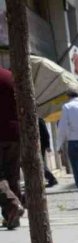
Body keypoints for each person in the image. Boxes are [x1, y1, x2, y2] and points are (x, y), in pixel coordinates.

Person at [0, 67, 24, 230]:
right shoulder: (10, 76)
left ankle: (12, 204)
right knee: (12, 175)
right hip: (15, 134)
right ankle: (12, 219)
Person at [38, 117, 59, 187]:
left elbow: (46, 133)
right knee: (40, 163)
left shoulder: (39, 120)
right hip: (39, 145)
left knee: (40, 163)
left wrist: (47, 145)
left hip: (40, 145)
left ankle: (51, 178)